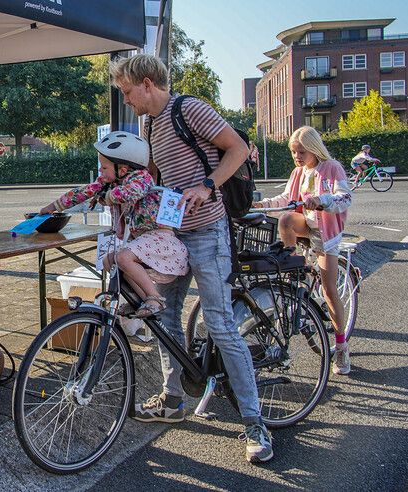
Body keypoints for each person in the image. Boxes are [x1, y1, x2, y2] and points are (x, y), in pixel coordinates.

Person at [110, 53, 273, 463]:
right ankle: (172, 398)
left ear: (147, 83)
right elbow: (153, 178)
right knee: (164, 316)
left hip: (208, 231)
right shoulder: (151, 123)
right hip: (173, 233)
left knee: (219, 324)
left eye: (128, 92)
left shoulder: (190, 109)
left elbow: (235, 149)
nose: (127, 101)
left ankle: (255, 422)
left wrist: (207, 185)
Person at [40, 131, 188, 317]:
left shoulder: (141, 178)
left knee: (124, 258)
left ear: (123, 169)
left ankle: (154, 297)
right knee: (109, 260)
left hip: (159, 237)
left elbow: (133, 191)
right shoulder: (108, 181)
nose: (100, 172)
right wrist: (54, 206)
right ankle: (141, 300)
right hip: (143, 239)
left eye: (104, 167)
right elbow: (84, 191)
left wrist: (108, 197)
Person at [253, 126, 352, 375]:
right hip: (304, 225)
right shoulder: (298, 173)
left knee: (329, 289)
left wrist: (322, 200)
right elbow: (286, 198)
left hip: (325, 232)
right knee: (286, 219)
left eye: (301, 152)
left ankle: (341, 346)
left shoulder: (332, 168)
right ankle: (292, 266)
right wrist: (262, 204)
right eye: (293, 152)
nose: (296, 157)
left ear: (313, 148)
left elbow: (345, 198)